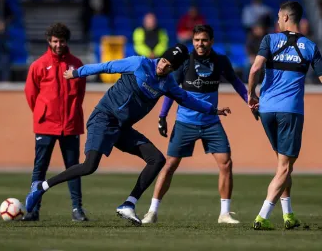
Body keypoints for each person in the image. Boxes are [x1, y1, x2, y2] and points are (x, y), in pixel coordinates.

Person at [24, 43, 232, 226]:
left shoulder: (167, 83)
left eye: (169, 65)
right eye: (163, 60)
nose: (163, 66)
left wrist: (213, 110)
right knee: (89, 166)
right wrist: (77, 73)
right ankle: (41, 187)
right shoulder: (139, 64)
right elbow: (106, 66)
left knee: (156, 159)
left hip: (122, 128)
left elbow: (187, 99)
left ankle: (128, 204)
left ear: (174, 69)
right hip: (104, 118)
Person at [141, 25, 248, 224]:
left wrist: (250, 102)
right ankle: (152, 211)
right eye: (197, 40)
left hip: (211, 123)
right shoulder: (184, 62)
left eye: (204, 40)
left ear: (211, 41)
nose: (200, 44)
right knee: (170, 165)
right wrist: (162, 116)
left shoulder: (221, 61)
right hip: (185, 122)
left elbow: (237, 83)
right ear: (193, 41)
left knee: (226, 163)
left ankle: (224, 213)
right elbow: (171, 90)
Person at [247, 1, 322, 230]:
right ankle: (263, 216)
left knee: (283, 164)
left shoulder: (269, 40)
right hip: (290, 111)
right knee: (285, 167)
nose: (277, 20)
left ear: (287, 17)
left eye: (279, 16)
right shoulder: (310, 46)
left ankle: (288, 215)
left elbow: (254, 69)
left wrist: (251, 95)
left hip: (267, 110)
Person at [24, 23, 87, 222]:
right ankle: (33, 210)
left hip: (70, 125)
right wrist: (43, 113)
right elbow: (31, 95)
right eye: (55, 41)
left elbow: (80, 94)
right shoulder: (38, 65)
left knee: (73, 168)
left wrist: (71, 113)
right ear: (49, 41)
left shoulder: (77, 65)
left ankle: (77, 210)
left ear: (67, 41)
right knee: (40, 168)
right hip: (45, 125)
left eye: (61, 41)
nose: (58, 44)